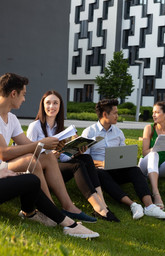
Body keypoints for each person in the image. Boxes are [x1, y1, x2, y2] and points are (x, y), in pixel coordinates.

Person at [0, 64, 98, 239]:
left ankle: (57, 216)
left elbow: (30, 147)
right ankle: (67, 223)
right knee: (30, 171)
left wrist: (53, 147)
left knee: (31, 179)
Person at [0, 73, 96, 223]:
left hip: (0, 165)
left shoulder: (12, 118)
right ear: (14, 94)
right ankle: (52, 211)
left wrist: (55, 146)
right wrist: (41, 144)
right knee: (29, 161)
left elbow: (28, 146)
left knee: (47, 157)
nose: (24, 99)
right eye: (23, 95)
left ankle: (68, 207)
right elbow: (2, 153)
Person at [27, 90, 119, 222]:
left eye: (55, 103)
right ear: (42, 105)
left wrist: (74, 151)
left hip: (57, 172)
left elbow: (64, 158)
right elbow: (30, 155)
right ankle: (99, 208)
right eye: (48, 103)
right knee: (78, 165)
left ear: (60, 106)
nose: (51, 106)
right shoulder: (34, 127)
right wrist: (50, 155)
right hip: (41, 172)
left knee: (85, 158)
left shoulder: (61, 128)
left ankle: (102, 203)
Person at [82, 98, 165, 220]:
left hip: (117, 169)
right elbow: (85, 159)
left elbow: (122, 154)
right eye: (115, 113)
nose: (117, 116)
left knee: (135, 169)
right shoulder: (89, 132)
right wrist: (102, 163)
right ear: (105, 114)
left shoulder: (118, 133)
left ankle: (150, 206)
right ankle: (133, 205)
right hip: (100, 170)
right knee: (100, 174)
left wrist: (125, 160)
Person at [139, 102, 165, 212]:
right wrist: (155, 148)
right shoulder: (149, 128)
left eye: (157, 112)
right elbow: (144, 153)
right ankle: (156, 194)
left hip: (161, 167)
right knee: (153, 154)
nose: (154, 115)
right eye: (153, 112)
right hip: (146, 166)